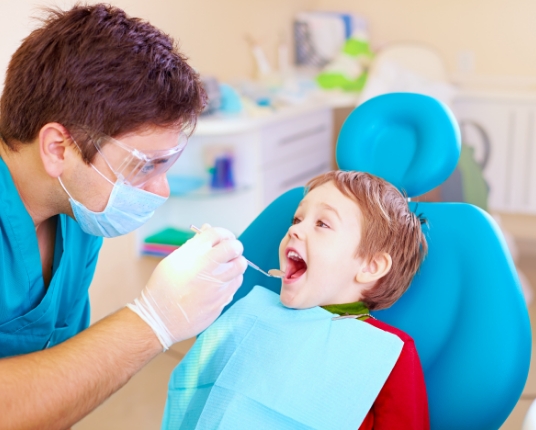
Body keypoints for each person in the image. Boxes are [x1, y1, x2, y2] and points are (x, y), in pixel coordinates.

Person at [0, 4, 247, 429]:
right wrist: (152, 320)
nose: (162, 189)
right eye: (144, 165)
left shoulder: (78, 219)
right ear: (58, 148)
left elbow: (61, 380)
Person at [163, 170, 430, 429]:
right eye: (297, 220)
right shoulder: (253, 313)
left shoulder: (386, 352)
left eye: (322, 224)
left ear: (370, 266)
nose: (295, 230)